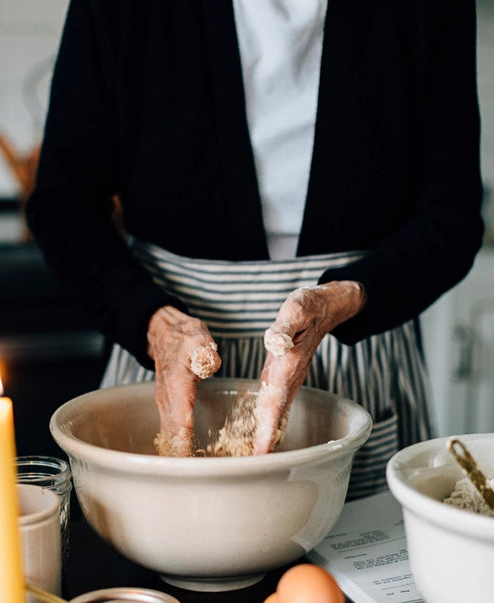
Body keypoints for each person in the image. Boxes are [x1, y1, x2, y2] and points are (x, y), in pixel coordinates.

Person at [26, 0, 483, 498]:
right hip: (166, 345)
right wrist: (157, 328)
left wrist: (339, 300)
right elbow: (64, 208)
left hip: (352, 355)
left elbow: (452, 216)